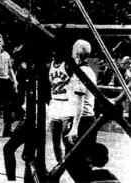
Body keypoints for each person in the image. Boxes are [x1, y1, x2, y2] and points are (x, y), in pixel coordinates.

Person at [63, 39, 97, 182]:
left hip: (82, 120)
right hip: (86, 119)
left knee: (73, 161)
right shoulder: (88, 70)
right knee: (80, 162)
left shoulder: (82, 72)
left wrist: (74, 127)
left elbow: (80, 101)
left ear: (76, 52)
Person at [48, 48, 73, 162]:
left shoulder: (67, 65)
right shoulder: (49, 65)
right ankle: (60, 162)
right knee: (55, 138)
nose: (54, 54)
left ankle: (69, 162)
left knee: (65, 137)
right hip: (55, 103)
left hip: (66, 103)